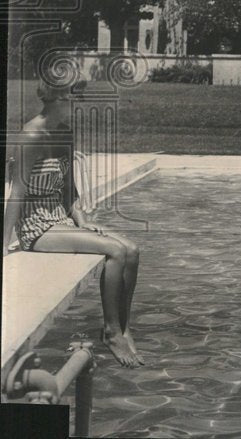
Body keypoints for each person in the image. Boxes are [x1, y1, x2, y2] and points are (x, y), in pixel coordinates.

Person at [2, 81, 144, 368]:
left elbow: (69, 189)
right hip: (36, 225)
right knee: (116, 252)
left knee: (132, 250)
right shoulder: (31, 136)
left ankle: (124, 328)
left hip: (59, 218)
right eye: (74, 97)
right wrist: (4, 244)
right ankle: (111, 332)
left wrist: (83, 220)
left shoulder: (65, 132)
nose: (78, 103)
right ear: (58, 98)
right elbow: (17, 191)